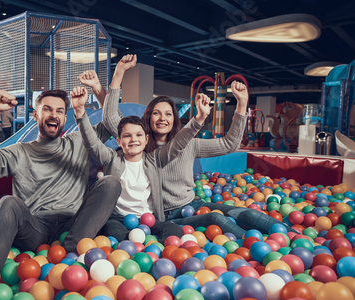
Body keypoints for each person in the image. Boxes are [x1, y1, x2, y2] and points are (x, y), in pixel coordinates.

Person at [89, 54, 296, 238]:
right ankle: (258, 245)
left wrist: (242, 104)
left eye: (168, 113)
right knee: (218, 219)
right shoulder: (139, 145)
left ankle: (293, 236)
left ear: (175, 118)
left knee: (247, 213)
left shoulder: (188, 143)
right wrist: (119, 74)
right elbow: (110, 117)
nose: (162, 118)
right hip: (169, 214)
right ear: (148, 117)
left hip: (193, 203)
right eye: (156, 113)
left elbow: (229, 144)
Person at [0, 88, 121, 289]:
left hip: (74, 227)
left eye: (60, 111)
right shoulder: (19, 152)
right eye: (47, 109)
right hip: (34, 229)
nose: (54, 115)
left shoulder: (80, 141)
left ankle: (69, 252)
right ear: (36, 115)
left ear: (64, 117)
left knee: (111, 183)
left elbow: (115, 123)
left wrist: (97, 89)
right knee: (7, 202)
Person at [70, 85, 210, 242]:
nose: (133, 140)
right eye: (127, 136)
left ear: (146, 139)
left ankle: (158, 256)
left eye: (138, 135)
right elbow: (91, 143)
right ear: (119, 141)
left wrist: (199, 119)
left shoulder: (154, 159)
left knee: (173, 230)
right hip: (119, 219)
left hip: (148, 219)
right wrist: (80, 112)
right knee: (114, 234)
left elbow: (179, 142)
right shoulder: (111, 158)